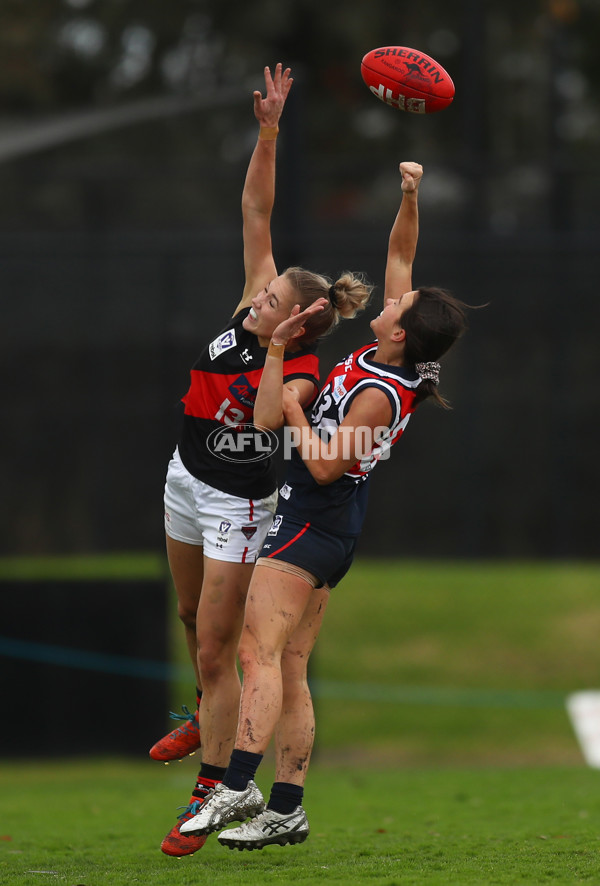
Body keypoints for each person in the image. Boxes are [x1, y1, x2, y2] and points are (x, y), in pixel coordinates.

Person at [179, 160, 470, 850]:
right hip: (328, 523)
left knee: (258, 651)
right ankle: (287, 809)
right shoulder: (391, 352)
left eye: (401, 304)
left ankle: (238, 784)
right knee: (290, 666)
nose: (393, 298)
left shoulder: (382, 390)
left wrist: (293, 409)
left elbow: (323, 460)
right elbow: (402, 252)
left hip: (315, 521)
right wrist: (408, 194)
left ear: (399, 333)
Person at [152, 62, 373, 858]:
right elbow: (256, 205)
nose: (262, 298)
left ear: (299, 324)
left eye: (276, 299)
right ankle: (203, 712)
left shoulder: (301, 368)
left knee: (224, 649)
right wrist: (269, 130)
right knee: (191, 625)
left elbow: (261, 413)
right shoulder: (251, 301)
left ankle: (213, 785)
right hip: (185, 479)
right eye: (268, 288)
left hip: (239, 504)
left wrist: (278, 349)